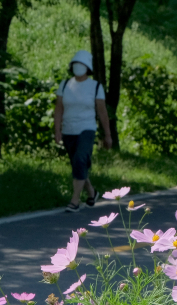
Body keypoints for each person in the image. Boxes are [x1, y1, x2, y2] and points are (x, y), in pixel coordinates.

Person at [53, 50, 114, 213]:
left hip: (87, 129)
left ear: (88, 68)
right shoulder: (65, 85)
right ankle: (91, 193)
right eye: (76, 64)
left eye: (82, 65)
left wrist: (107, 135)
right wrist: (57, 129)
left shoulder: (95, 86)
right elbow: (58, 109)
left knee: (80, 160)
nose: (79, 67)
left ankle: (74, 200)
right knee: (77, 165)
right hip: (68, 130)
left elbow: (102, 112)